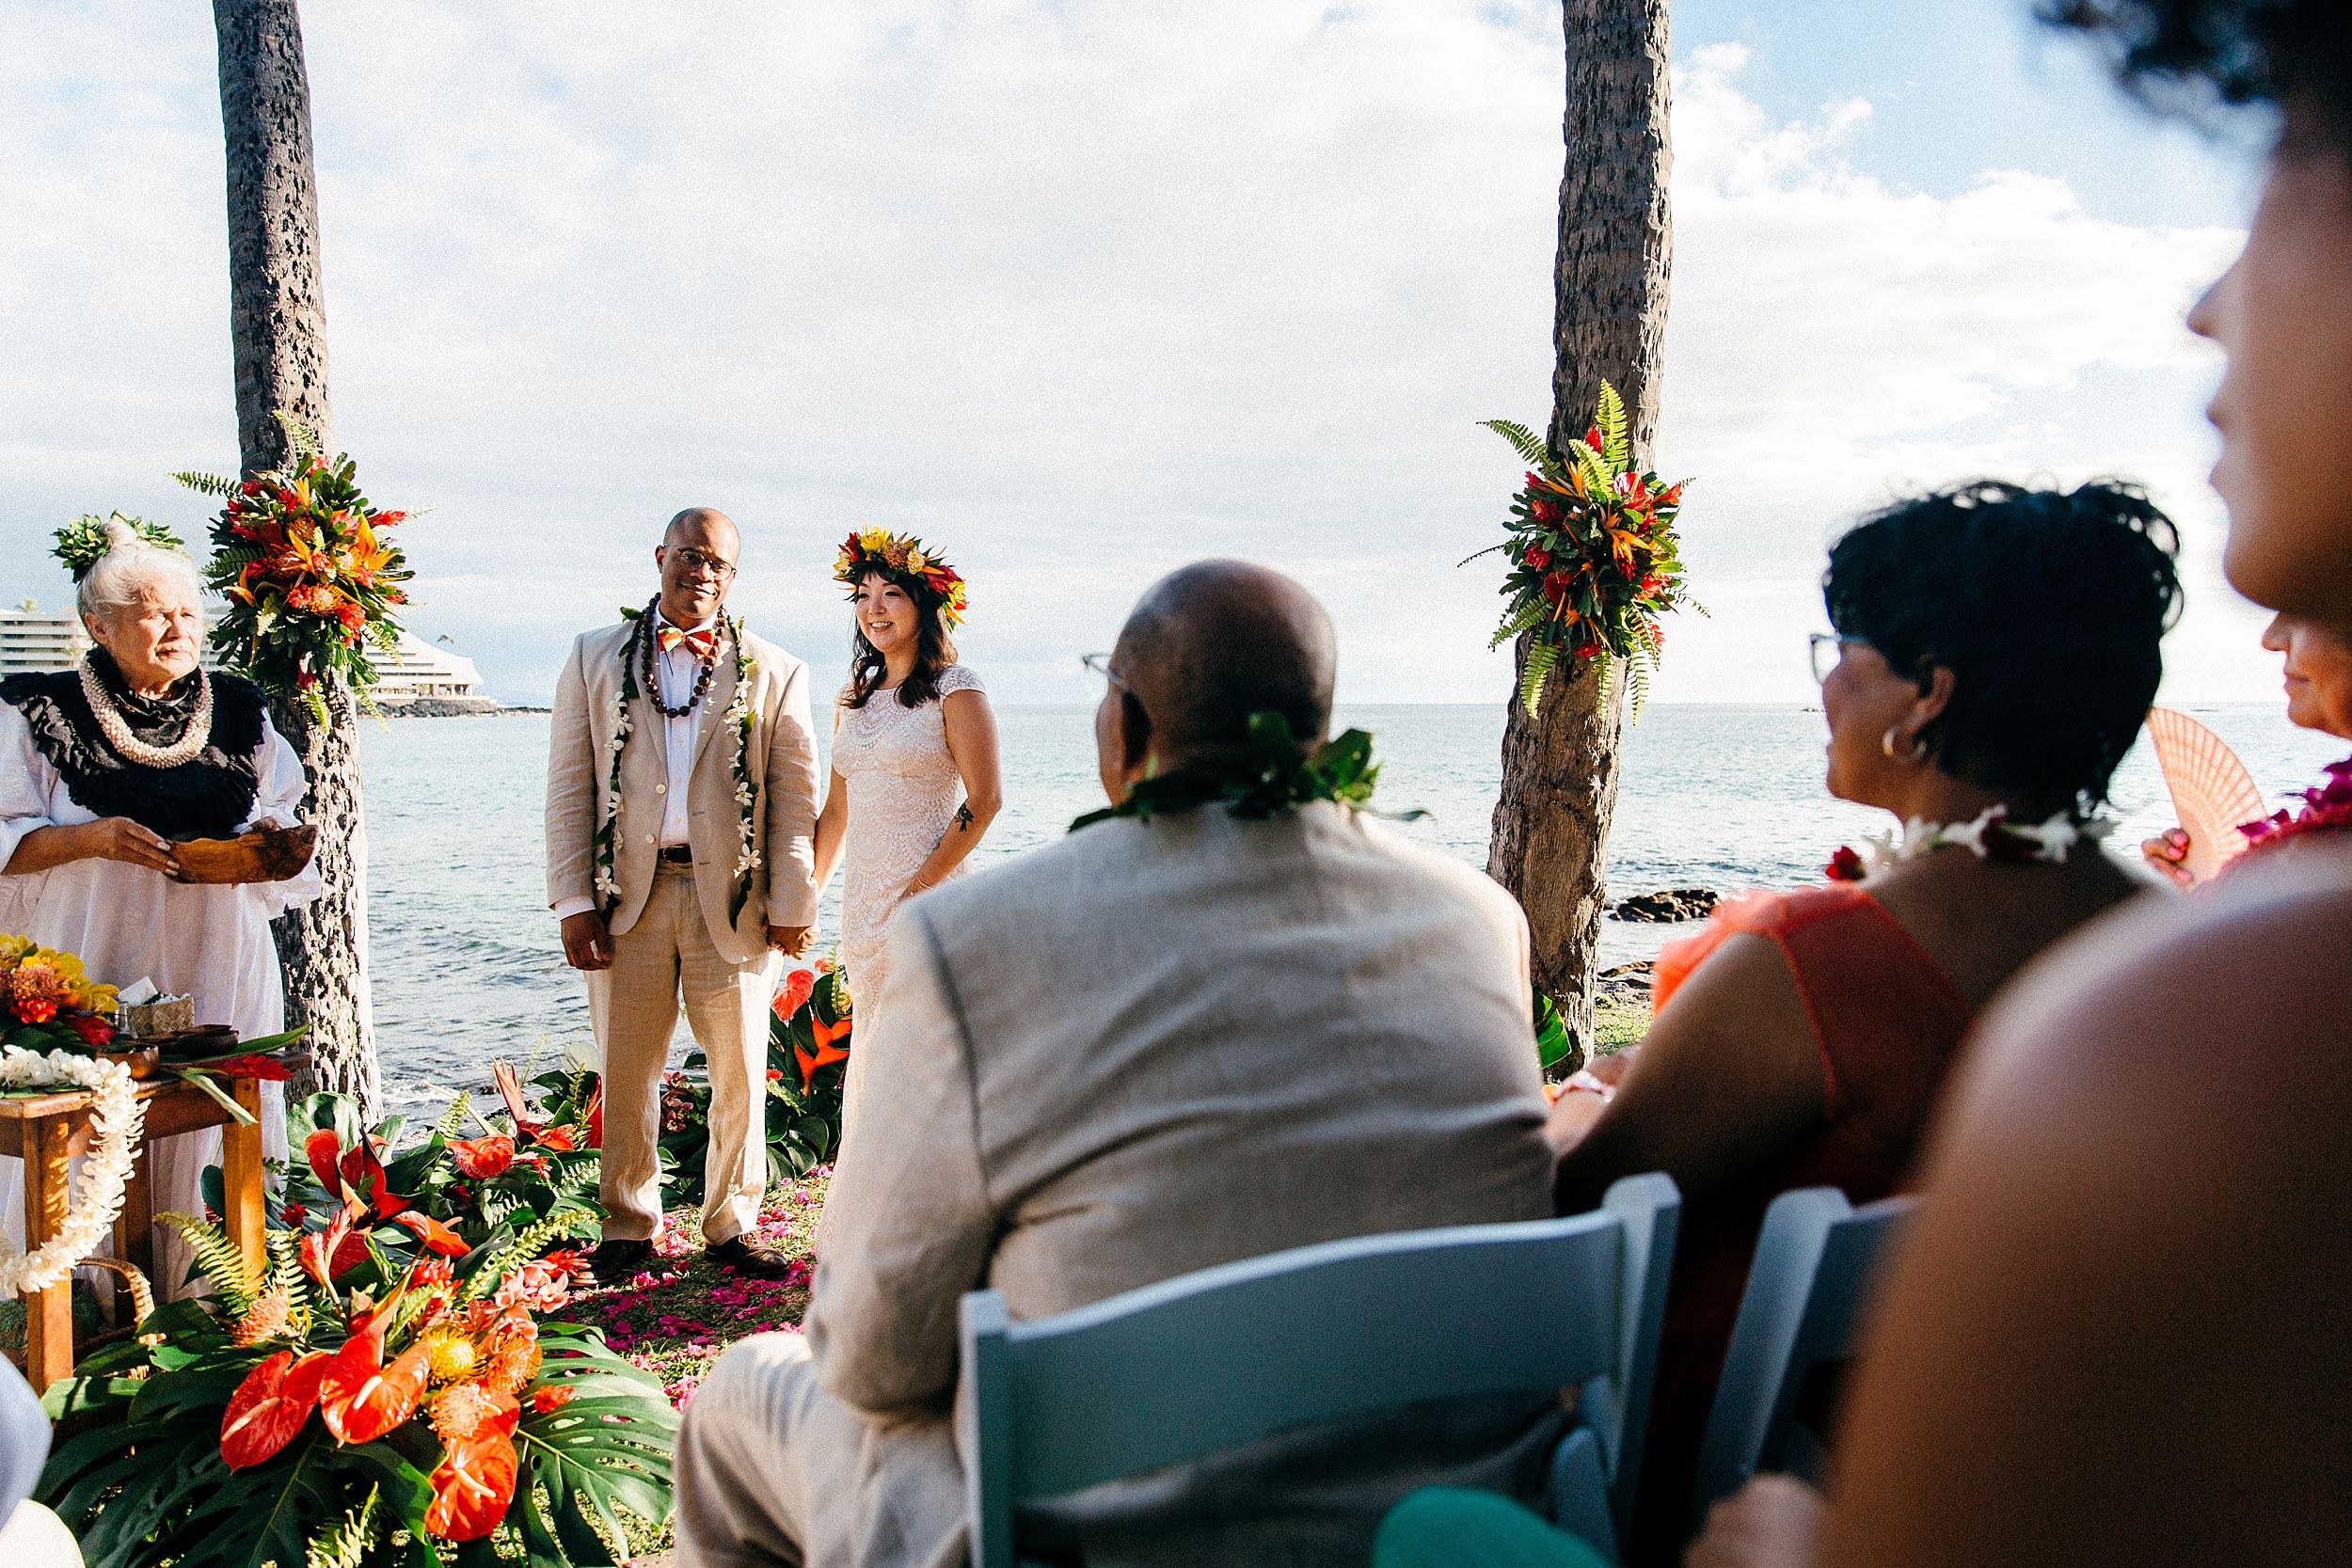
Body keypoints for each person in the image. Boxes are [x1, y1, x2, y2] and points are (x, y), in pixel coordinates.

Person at [1680, 5, 2352, 1565]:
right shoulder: (2149, 935)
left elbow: (1569, 1211)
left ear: (1928, 696)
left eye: (2302, 137)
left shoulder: (2218, 1029)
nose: (2205, 303)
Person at [675, 561, 1561, 1568]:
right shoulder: (1482, 919)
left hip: (1102, 1539)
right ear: (1313, 734)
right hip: (1426, 1513)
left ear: (1127, 729)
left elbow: (872, 1363)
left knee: (744, 1393)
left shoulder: (972, 941)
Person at [0, 519, 317, 1292]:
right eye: (153, 610)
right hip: (91, 961)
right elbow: (7, 841)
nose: (178, 627)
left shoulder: (240, 711)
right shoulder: (36, 712)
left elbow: (276, 818)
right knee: (83, 1132)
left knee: (212, 1120)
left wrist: (268, 838)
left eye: (187, 611)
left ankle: (210, 1296)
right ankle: (69, 1298)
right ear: (97, 625)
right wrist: (91, 838)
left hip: (215, 961)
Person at [545, 507, 820, 1284]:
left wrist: (792, 900)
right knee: (626, 1068)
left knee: (738, 1068)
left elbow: (794, 799)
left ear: (733, 578)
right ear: (660, 556)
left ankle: (732, 1222)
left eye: (718, 563)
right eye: (689, 555)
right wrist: (572, 900)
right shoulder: (593, 656)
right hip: (624, 898)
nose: (701, 570)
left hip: (730, 905)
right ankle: (628, 1225)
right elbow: (570, 785)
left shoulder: (775, 669)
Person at [807, 529, 1000, 1139]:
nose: (875, 608)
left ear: (924, 604)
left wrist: (921, 888)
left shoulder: (956, 688)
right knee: (874, 1054)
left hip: (930, 902)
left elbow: (986, 798)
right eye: (863, 595)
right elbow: (836, 814)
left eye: (891, 593)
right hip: (862, 912)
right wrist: (806, 894)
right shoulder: (850, 698)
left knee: (926, 1060)